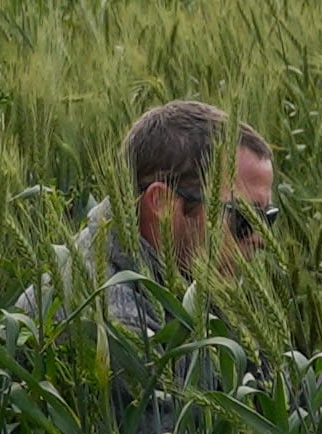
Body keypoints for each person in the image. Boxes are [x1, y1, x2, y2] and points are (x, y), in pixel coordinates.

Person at [105, 98, 278, 328]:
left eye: (269, 216)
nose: (262, 239)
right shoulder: (119, 323)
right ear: (162, 203)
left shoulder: (193, 274)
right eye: (244, 218)